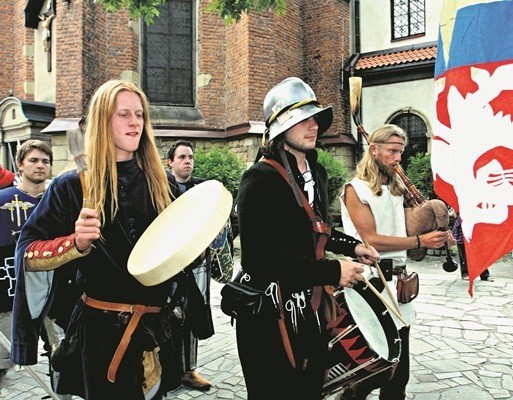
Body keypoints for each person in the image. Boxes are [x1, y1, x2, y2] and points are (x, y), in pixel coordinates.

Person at [11, 80, 182, 400]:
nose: (135, 122)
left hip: (153, 328)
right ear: (103, 121)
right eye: (124, 115)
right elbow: (28, 252)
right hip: (101, 334)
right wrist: (75, 243)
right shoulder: (71, 187)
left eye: (140, 115)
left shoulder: (162, 181)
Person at [235, 77, 380, 399]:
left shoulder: (318, 173)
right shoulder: (259, 179)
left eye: (315, 118)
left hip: (309, 306)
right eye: (302, 120)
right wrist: (332, 272)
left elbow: (317, 230)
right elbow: (259, 261)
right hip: (266, 313)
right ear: (280, 128)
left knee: (310, 389)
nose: (313, 126)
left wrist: (352, 247)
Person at [340, 124, 455, 400]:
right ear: (374, 150)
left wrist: (436, 233)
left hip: (398, 286)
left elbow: (404, 228)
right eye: (392, 151)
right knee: (373, 371)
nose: (398, 158)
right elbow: (371, 240)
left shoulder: (395, 187)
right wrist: (420, 242)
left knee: (399, 375)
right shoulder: (355, 189)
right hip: (370, 283)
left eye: (400, 152)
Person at [166, 140, 213, 390]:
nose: (188, 161)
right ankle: (168, 370)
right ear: (170, 162)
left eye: (191, 157)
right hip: (171, 265)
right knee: (169, 316)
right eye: (182, 157)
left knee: (193, 314)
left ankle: (189, 370)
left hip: (197, 263)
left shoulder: (202, 188)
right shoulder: (161, 188)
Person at [452, 214, 493, 282]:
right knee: (464, 258)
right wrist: (454, 239)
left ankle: (485, 275)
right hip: (463, 240)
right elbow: (456, 227)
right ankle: (465, 273)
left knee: (480, 257)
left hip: (476, 240)